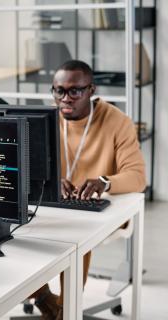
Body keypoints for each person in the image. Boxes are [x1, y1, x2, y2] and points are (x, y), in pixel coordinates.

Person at [31, 60, 146, 320]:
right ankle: (44, 298)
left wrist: (105, 181)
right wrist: (48, 182)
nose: (65, 99)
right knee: (15, 229)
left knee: (73, 237)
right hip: (55, 206)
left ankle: (65, 310)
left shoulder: (117, 121)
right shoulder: (45, 119)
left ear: (91, 89)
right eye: (58, 91)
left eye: (75, 91)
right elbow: (27, 169)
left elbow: (138, 177)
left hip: (100, 209)